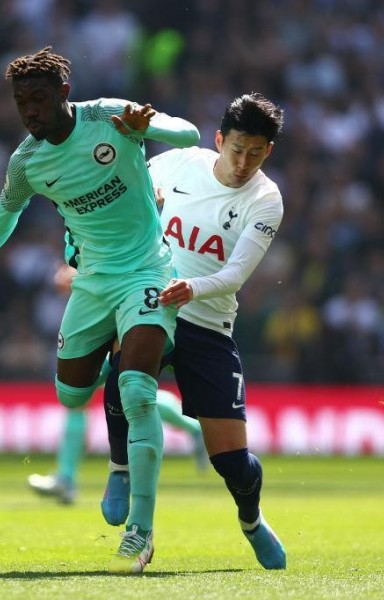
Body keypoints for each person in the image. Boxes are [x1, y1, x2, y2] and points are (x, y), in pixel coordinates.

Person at [0, 47, 199, 573]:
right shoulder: (26, 162)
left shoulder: (109, 116)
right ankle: (124, 438)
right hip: (91, 285)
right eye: (21, 103)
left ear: (64, 93)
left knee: (136, 389)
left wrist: (148, 126)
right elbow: (1, 219)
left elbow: (190, 136)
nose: (30, 112)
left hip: (148, 272)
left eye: (39, 100)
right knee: (71, 392)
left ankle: (141, 530)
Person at [101, 93, 288, 569]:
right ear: (219, 141)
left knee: (234, 465)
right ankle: (121, 468)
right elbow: (125, 189)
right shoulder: (180, 163)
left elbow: (234, 277)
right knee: (126, 374)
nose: (243, 162)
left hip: (208, 323)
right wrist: (144, 197)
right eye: (237, 149)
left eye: (256, 152)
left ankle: (251, 519)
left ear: (268, 151)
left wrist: (191, 288)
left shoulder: (266, 199)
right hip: (153, 306)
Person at [27, 264, 207, 506]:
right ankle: (194, 428)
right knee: (113, 392)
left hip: (135, 318)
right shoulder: (89, 233)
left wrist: (80, 279)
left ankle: (69, 479)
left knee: (123, 391)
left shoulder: (141, 235)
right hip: (109, 322)